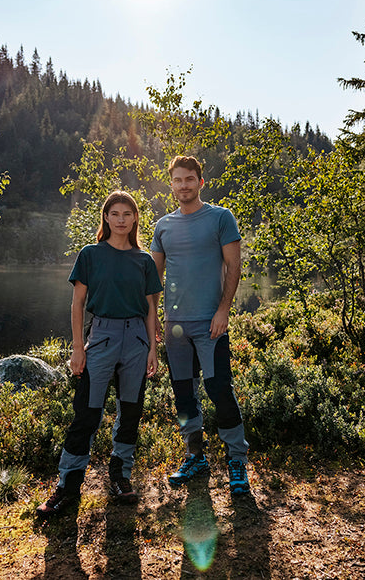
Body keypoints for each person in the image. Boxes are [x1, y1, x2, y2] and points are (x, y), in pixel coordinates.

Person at [37, 191, 163, 517]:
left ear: (135, 219)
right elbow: (78, 304)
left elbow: (151, 309)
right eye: (115, 213)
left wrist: (153, 350)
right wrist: (78, 348)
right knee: (87, 412)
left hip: (137, 341)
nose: (121, 219)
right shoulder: (90, 255)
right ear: (106, 218)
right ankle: (68, 485)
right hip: (102, 338)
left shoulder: (144, 260)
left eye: (127, 214)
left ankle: (120, 476)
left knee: (130, 412)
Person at [150, 155, 251, 496]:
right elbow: (154, 280)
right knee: (183, 393)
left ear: (200, 182)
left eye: (189, 179)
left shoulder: (221, 218)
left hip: (211, 324)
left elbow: (234, 268)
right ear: (172, 184)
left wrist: (223, 310)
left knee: (219, 389)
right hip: (175, 327)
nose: (183, 186)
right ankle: (196, 457)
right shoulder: (163, 226)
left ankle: (237, 459)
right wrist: (153, 321)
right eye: (177, 180)